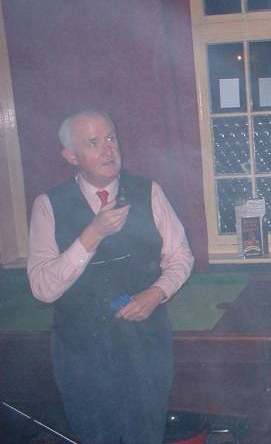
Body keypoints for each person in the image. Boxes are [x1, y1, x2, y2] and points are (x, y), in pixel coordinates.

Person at [27, 109, 194, 443]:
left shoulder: (149, 191)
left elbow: (181, 257)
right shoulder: (48, 204)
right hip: (81, 352)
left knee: (145, 435)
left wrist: (157, 292)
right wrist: (92, 234)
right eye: (93, 143)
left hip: (144, 346)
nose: (108, 149)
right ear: (70, 156)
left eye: (110, 138)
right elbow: (43, 288)